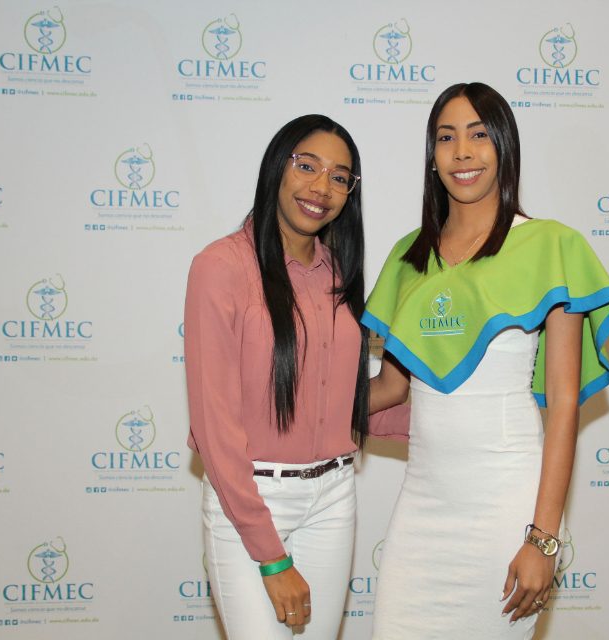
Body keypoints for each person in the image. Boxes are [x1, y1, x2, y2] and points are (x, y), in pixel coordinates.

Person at [364, 83, 609, 639]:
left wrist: (543, 540)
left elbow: (563, 405)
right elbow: (389, 387)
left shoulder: (548, 245)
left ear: (504, 146)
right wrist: (293, 404)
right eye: (446, 138)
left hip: (504, 512)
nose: (462, 152)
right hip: (420, 512)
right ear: (432, 156)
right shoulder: (409, 257)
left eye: (479, 135)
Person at [184, 114, 406, 639]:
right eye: (308, 166)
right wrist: (272, 557)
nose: (321, 187)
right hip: (252, 498)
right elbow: (215, 425)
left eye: (339, 177)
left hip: (334, 496)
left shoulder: (339, 273)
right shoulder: (221, 267)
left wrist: (461, 420)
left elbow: (337, 400)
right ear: (276, 168)